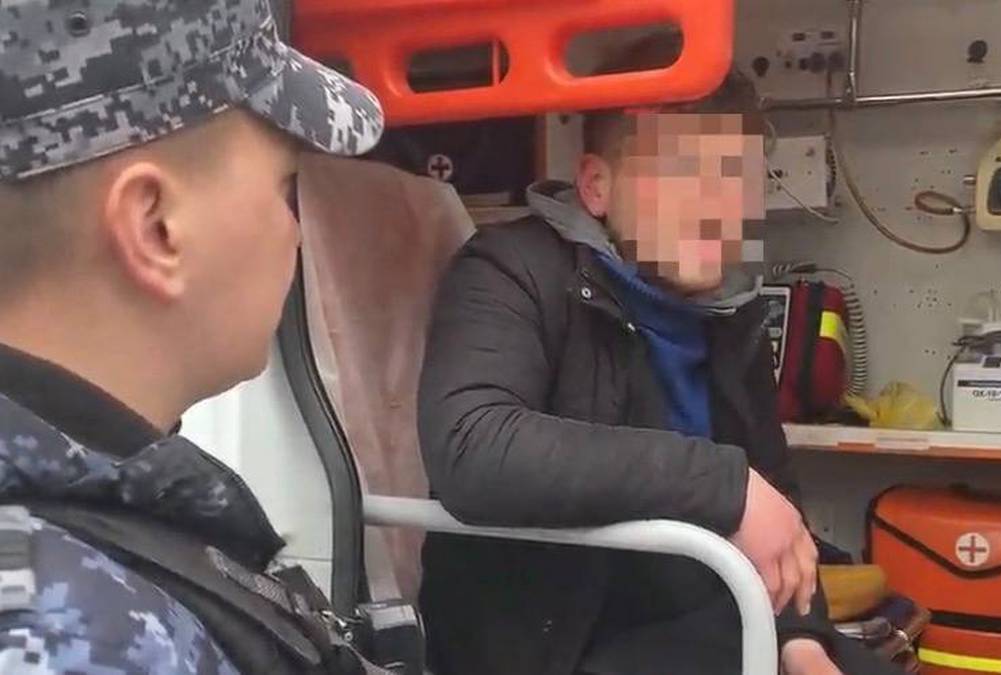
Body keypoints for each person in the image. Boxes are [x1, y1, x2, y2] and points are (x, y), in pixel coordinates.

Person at [417, 31, 903, 675]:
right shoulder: (509, 268)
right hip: (555, 644)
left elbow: (776, 501)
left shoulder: (731, 313)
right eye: (681, 173)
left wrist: (800, 640)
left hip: (714, 619)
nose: (717, 206)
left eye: (736, 178)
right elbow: (473, 448)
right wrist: (723, 485)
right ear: (597, 186)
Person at [0, 0, 383, 672]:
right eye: (285, 188)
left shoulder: (92, 547)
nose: (294, 232)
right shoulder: (78, 641)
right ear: (157, 228)